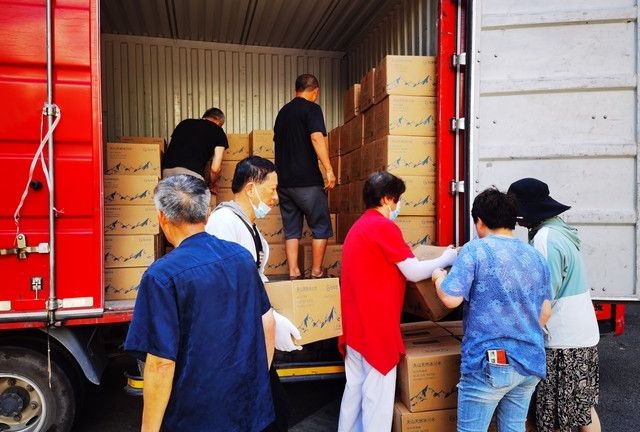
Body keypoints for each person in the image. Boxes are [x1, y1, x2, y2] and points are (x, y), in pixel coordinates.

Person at [124, 175, 275, 432]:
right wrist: (256, 385)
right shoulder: (242, 258)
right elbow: (267, 321)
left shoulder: (161, 276)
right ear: (207, 213)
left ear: (162, 217)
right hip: (248, 411)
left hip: (196, 418)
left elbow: (161, 364)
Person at [337, 171, 458, 432]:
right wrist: (446, 258)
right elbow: (413, 271)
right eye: (398, 199)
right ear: (386, 199)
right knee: (377, 400)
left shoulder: (358, 227)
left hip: (355, 326)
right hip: (376, 329)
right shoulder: (383, 227)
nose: (398, 205)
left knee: (354, 394)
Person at [432, 187, 553, 432]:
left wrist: (438, 277)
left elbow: (451, 299)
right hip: (529, 361)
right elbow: (546, 312)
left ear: (480, 221)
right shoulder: (535, 256)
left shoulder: (475, 250)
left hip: (490, 363)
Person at [205, 156, 302, 432]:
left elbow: (254, 279)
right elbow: (226, 286)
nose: (276, 197)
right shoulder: (224, 222)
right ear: (250, 188)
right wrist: (269, 319)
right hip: (235, 340)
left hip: (252, 335)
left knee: (274, 411)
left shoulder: (250, 226)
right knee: (266, 413)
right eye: (272, 189)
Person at [508, 178, 601, 432]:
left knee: (554, 416)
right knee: (583, 410)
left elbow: (544, 297)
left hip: (562, 341)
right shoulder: (560, 230)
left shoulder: (544, 239)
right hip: (582, 335)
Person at [274, 73, 336, 279]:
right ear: (315, 92)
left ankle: (294, 272)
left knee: (292, 230)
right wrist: (329, 169)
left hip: (284, 183)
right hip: (307, 181)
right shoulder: (312, 109)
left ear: (296, 90)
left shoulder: (282, 113)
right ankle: (316, 272)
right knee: (321, 226)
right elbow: (317, 138)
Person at [162, 107, 228, 188]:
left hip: (167, 172)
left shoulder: (184, 123)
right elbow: (215, 168)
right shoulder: (218, 131)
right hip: (191, 176)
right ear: (219, 122)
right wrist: (212, 184)